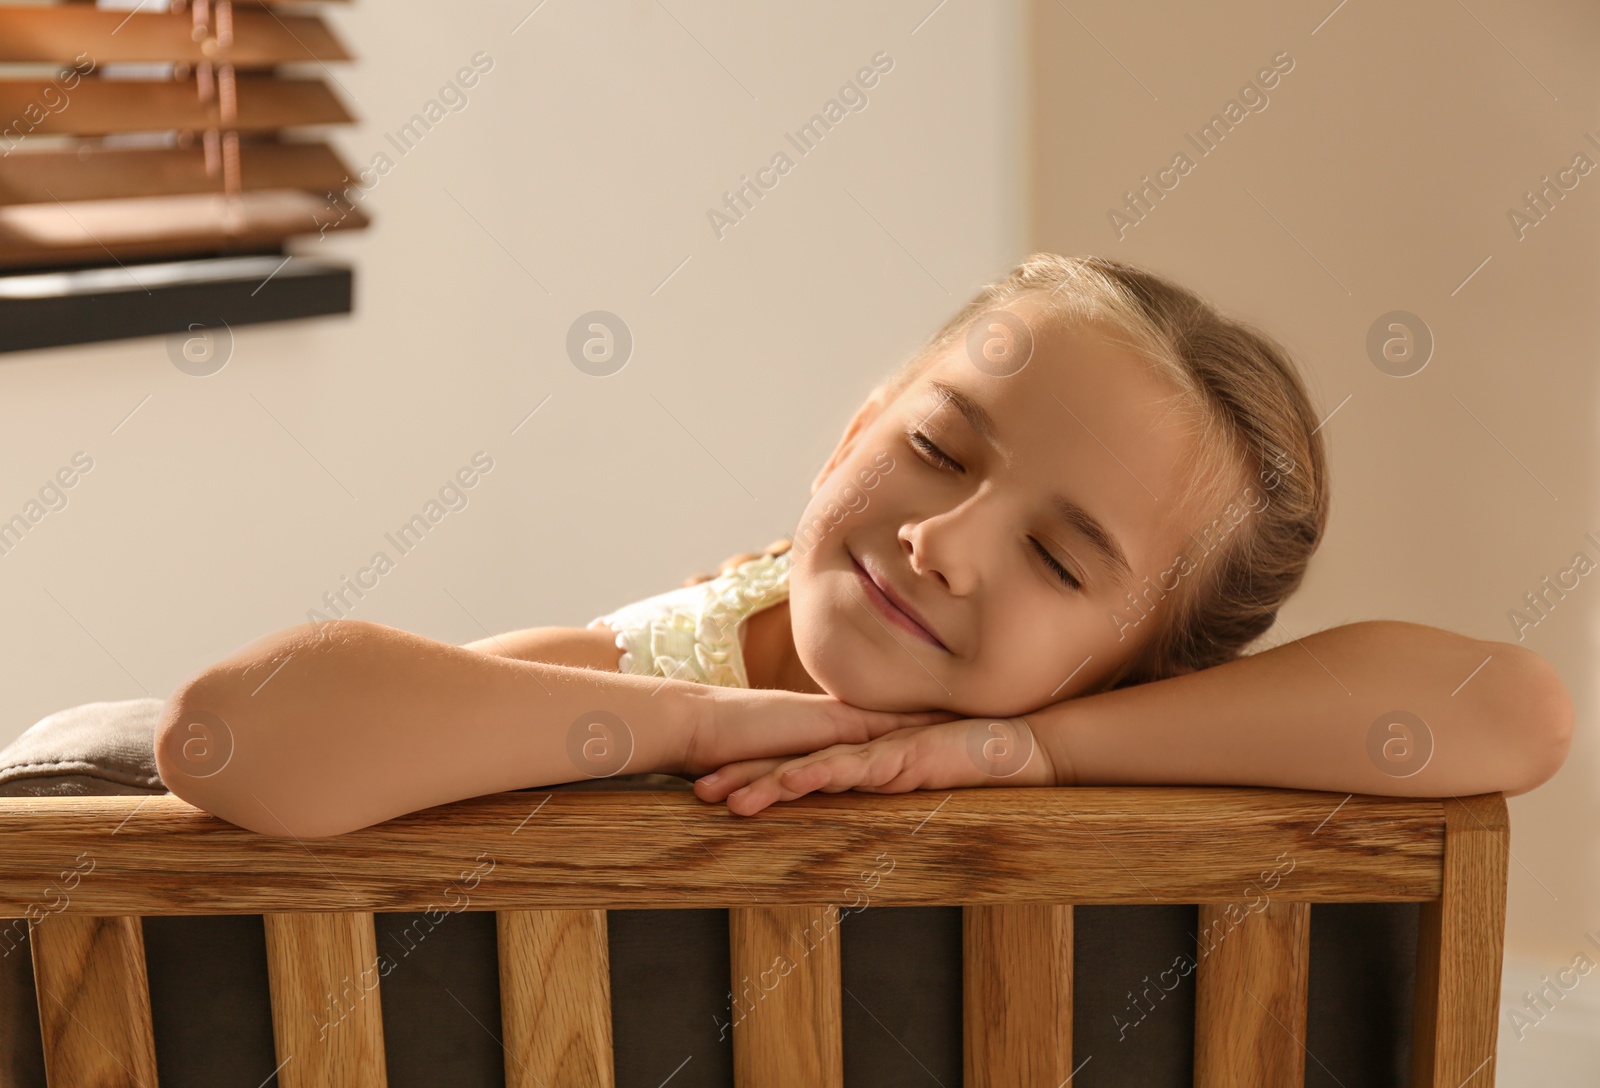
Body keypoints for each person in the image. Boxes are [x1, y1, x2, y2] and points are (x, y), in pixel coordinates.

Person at [153, 254, 1573, 837]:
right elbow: (223, 737)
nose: (943, 542)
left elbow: (1515, 707)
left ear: (1141, 662)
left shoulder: (1112, 727)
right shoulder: (648, 671)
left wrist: (1027, 751)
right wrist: (702, 720)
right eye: (937, 451)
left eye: (1063, 563)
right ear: (849, 438)